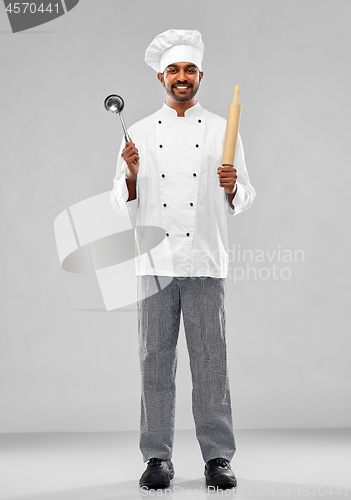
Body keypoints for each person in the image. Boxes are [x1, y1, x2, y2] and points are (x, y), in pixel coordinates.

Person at [110, 29, 255, 490]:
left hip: (205, 260)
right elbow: (119, 201)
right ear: (161, 77)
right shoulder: (138, 134)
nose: (182, 77)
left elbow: (246, 192)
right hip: (154, 262)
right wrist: (131, 177)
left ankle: (217, 457)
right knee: (154, 359)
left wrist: (232, 186)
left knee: (211, 361)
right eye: (173, 70)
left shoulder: (220, 128)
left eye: (189, 70)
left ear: (200, 76)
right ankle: (157, 457)